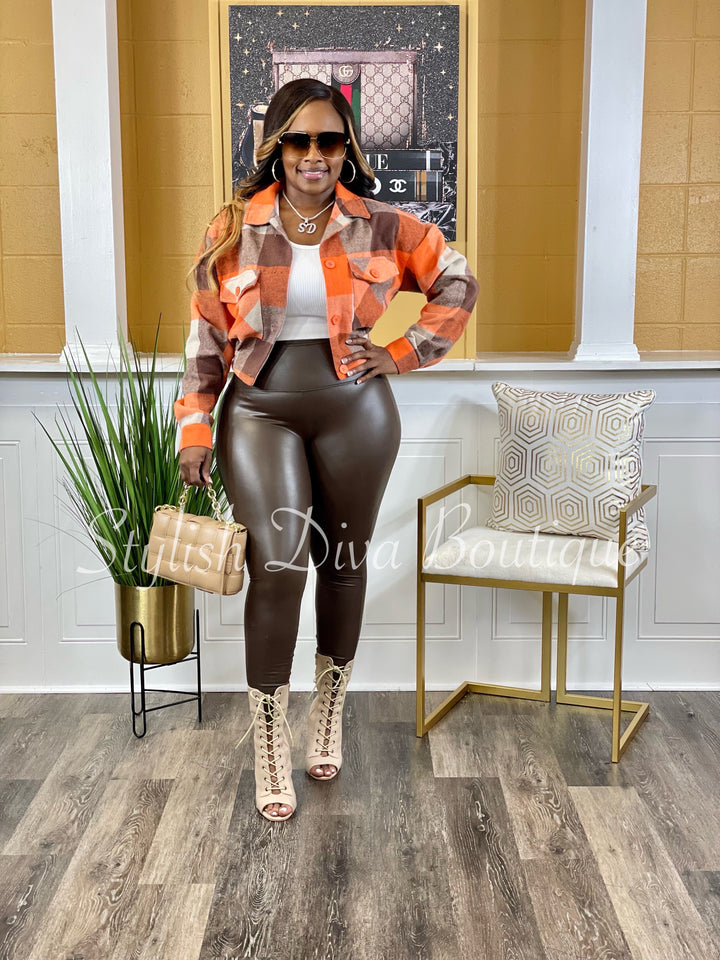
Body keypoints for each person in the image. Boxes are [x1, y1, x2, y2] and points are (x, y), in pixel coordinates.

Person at [176, 79, 478, 822]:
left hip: (356, 411)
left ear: (348, 148)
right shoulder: (233, 226)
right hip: (259, 409)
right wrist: (195, 427)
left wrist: (401, 352)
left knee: (343, 561)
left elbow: (458, 282)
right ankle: (269, 737)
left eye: (330, 140)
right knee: (277, 565)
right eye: (300, 140)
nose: (315, 155)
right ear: (276, 146)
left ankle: (329, 709)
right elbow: (206, 337)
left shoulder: (382, 224)